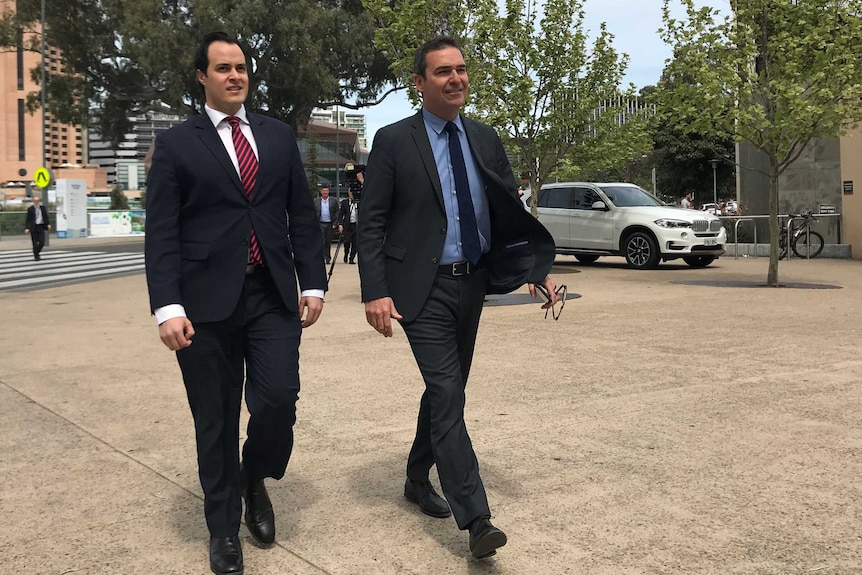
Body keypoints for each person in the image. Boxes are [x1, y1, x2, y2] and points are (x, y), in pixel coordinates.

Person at [357, 36, 560, 560]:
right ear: (420, 83)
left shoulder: (485, 139)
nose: (456, 79)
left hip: (472, 285)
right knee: (447, 391)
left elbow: (509, 213)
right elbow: (372, 220)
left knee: (446, 389)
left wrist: (535, 271)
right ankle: (477, 519)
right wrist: (374, 290)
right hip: (419, 289)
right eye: (443, 71)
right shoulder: (394, 141)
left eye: (462, 70)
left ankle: (414, 476)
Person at [144, 31, 326, 575]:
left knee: (278, 400)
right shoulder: (177, 144)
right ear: (201, 76)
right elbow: (163, 234)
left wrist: (312, 284)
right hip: (203, 304)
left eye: (241, 67)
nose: (234, 75)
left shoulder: (276, 136)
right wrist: (167, 306)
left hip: (270, 293)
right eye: (222, 67)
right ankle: (223, 528)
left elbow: (299, 214)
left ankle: (254, 476)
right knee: (215, 420)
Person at [314, 186, 339, 263]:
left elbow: (337, 212)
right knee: (321, 241)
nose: (325, 192)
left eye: (326, 191)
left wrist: (335, 223)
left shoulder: (333, 201)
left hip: (330, 224)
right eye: (324, 191)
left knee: (328, 241)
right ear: (321, 192)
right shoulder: (316, 201)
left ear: (328, 192)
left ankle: (327, 258)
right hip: (320, 223)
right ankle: (321, 257)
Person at [24, 195, 51, 261]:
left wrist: (48, 224)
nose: (36, 202)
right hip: (34, 227)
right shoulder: (30, 209)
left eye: (37, 201)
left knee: (42, 242)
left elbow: (45, 217)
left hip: (41, 226)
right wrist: (27, 228)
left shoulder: (42, 208)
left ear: (39, 201)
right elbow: (28, 219)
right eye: (35, 201)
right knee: (35, 242)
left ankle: (36, 252)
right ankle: (36, 256)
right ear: (34, 201)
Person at [337, 188, 359, 264]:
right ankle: (346, 254)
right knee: (347, 242)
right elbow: (341, 214)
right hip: (347, 225)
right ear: (349, 193)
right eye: (351, 192)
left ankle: (351, 258)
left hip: (356, 225)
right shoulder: (344, 202)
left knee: (355, 243)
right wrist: (340, 224)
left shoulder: (359, 202)